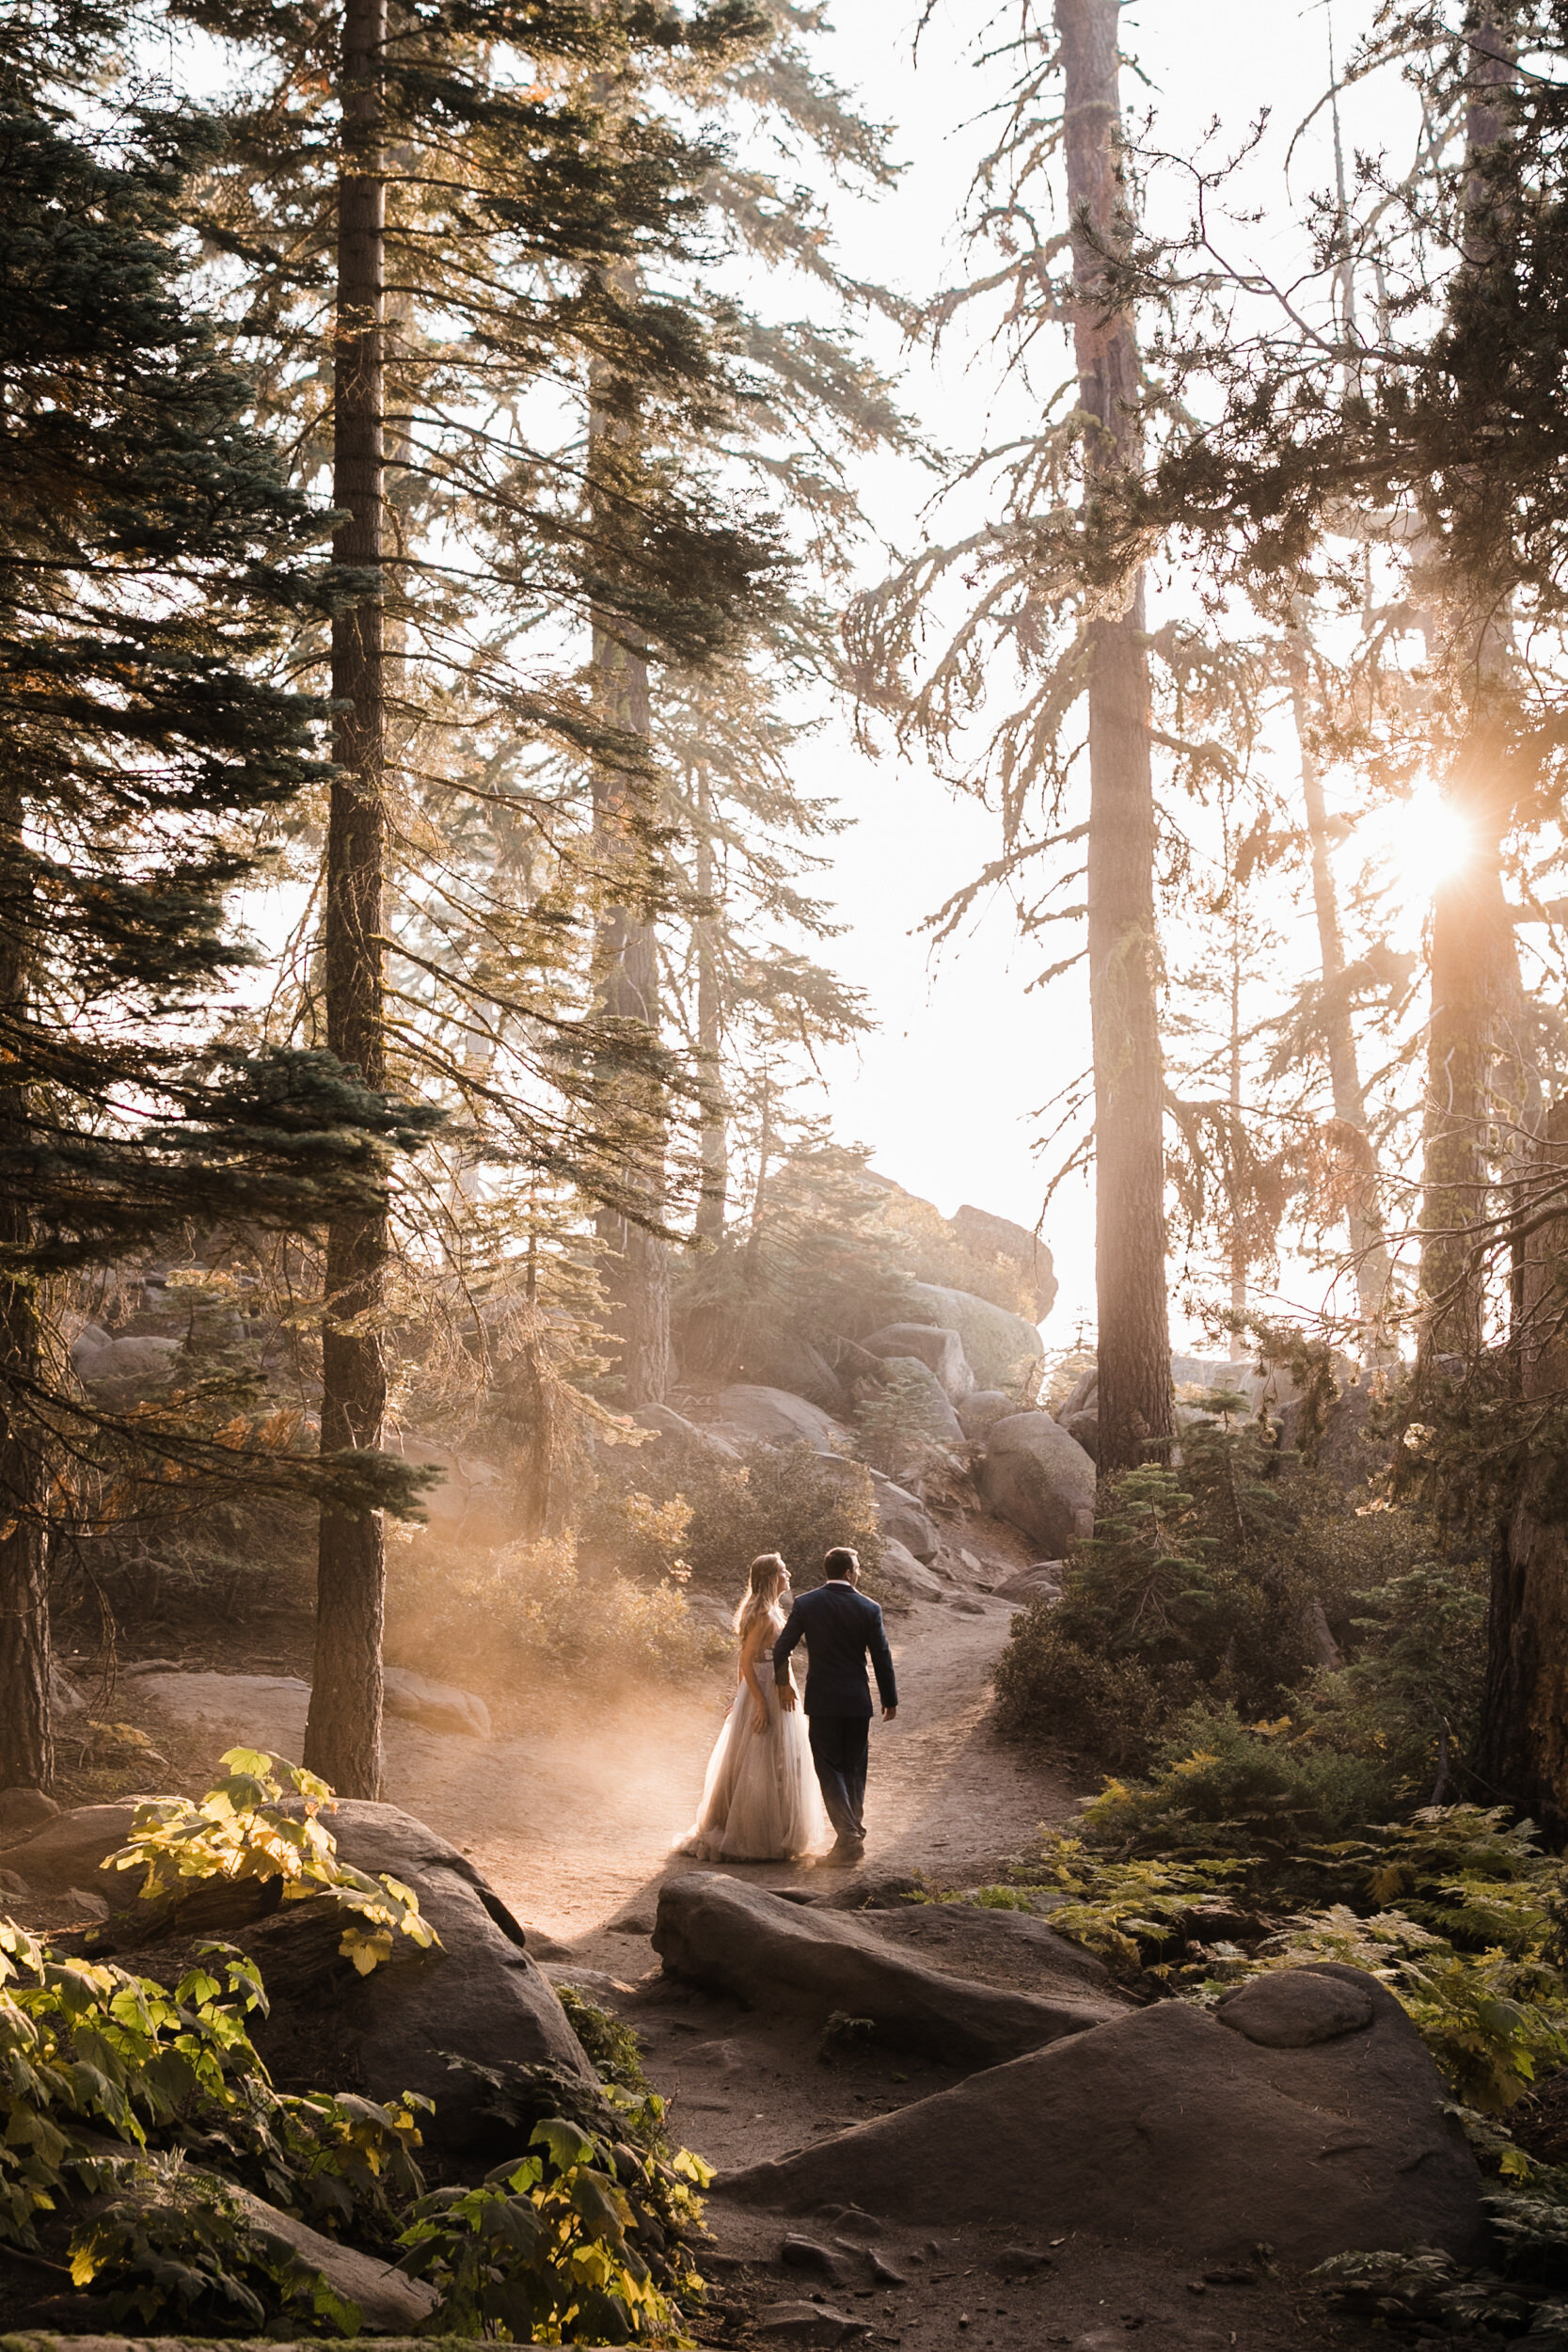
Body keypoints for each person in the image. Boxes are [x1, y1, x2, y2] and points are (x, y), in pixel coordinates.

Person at [675, 1552, 832, 1863]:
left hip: (773, 1685)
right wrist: (755, 1703)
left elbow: (758, 1659)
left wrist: (745, 1695)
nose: (789, 1574)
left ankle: (776, 1831)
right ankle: (752, 1834)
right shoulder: (761, 1614)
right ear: (771, 1577)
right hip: (765, 1689)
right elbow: (746, 1660)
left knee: (780, 1757)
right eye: (784, 1571)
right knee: (757, 1757)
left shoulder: (773, 1611)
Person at [773, 1545, 897, 1867]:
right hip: (857, 1701)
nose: (858, 1573)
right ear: (847, 1572)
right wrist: (889, 1700)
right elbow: (882, 1657)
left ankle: (849, 1837)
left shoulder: (806, 1604)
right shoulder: (869, 1607)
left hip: (823, 1700)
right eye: (856, 1568)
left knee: (828, 1769)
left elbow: (781, 1649)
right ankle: (850, 1836)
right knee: (855, 1770)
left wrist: (782, 1684)